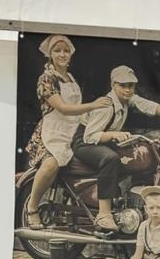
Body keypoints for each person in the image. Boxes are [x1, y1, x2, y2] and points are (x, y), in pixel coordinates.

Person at [72, 65, 160, 235]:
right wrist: (114, 134)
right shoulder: (106, 105)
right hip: (85, 142)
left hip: (104, 140)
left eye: (131, 85)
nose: (127, 89)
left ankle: (133, 203)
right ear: (113, 85)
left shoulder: (127, 99)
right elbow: (89, 136)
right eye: (123, 85)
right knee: (110, 158)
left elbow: (150, 106)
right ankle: (104, 214)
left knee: (141, 154)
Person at [22, 34, 111, 229]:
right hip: (52, 132)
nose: (62, 54)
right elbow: (62, 108)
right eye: (57, 50)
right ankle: (32, 206)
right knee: (51, 165)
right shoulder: (47, 79)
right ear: (50, 54)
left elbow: (77, 110)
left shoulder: (70, 78)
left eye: (66, 50)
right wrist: (93, 105)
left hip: (73, 131)